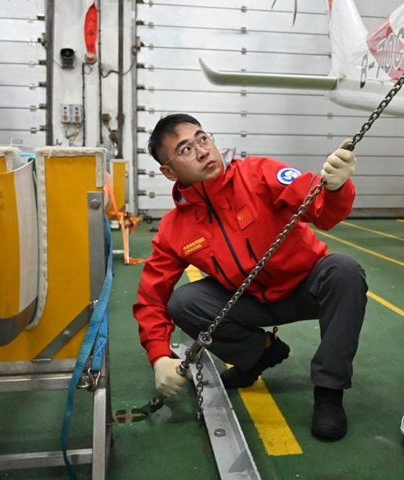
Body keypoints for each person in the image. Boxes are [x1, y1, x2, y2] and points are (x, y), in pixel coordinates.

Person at [132, 113, 368, 440]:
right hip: (250, 301)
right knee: (183, 302)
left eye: (203, 138)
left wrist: (336, 186)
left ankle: (329, 390)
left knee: (344, 271)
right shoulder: (174, 228)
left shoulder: (258, 174)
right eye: (185, 149)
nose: (202, 151)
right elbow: (151, 298)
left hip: (305, 288)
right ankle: (260, 353)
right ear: (169, 172)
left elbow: (321, 210)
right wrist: (159, 355)